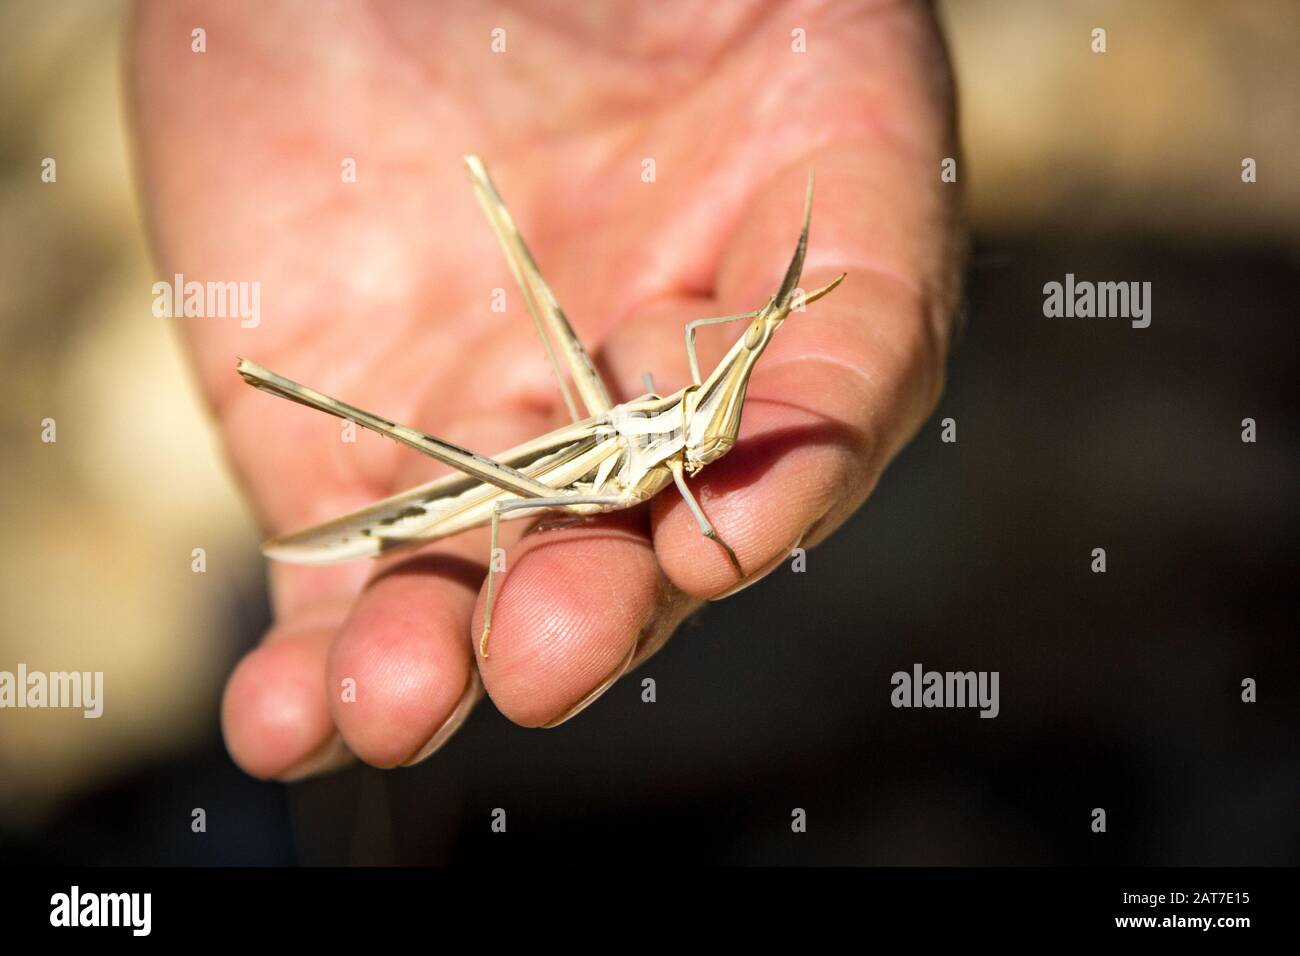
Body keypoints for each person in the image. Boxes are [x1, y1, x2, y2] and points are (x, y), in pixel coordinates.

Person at [130, 0, 960, 780]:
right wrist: (695, 504)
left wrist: (772, 318)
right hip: (529, 478)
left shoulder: (706, 400)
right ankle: (297, 383)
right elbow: (533, 500)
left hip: (626, 433)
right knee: (483, 488)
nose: (729, 418)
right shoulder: (660, 453)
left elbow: (718, 357)